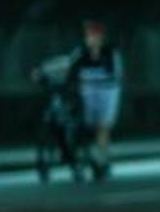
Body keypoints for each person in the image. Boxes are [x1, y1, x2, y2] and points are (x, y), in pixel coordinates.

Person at [38, 20, 123, 177]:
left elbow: (116, 74)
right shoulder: (81, 52)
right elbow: (67, 64)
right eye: (90, 36)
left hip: (107, 92)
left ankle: (102, 159)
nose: (93, 40)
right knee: (79, 121)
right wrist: (43, 70)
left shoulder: (110, 52)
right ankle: (77, 151)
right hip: (87, 91)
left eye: (96, 36)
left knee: (102, 126)